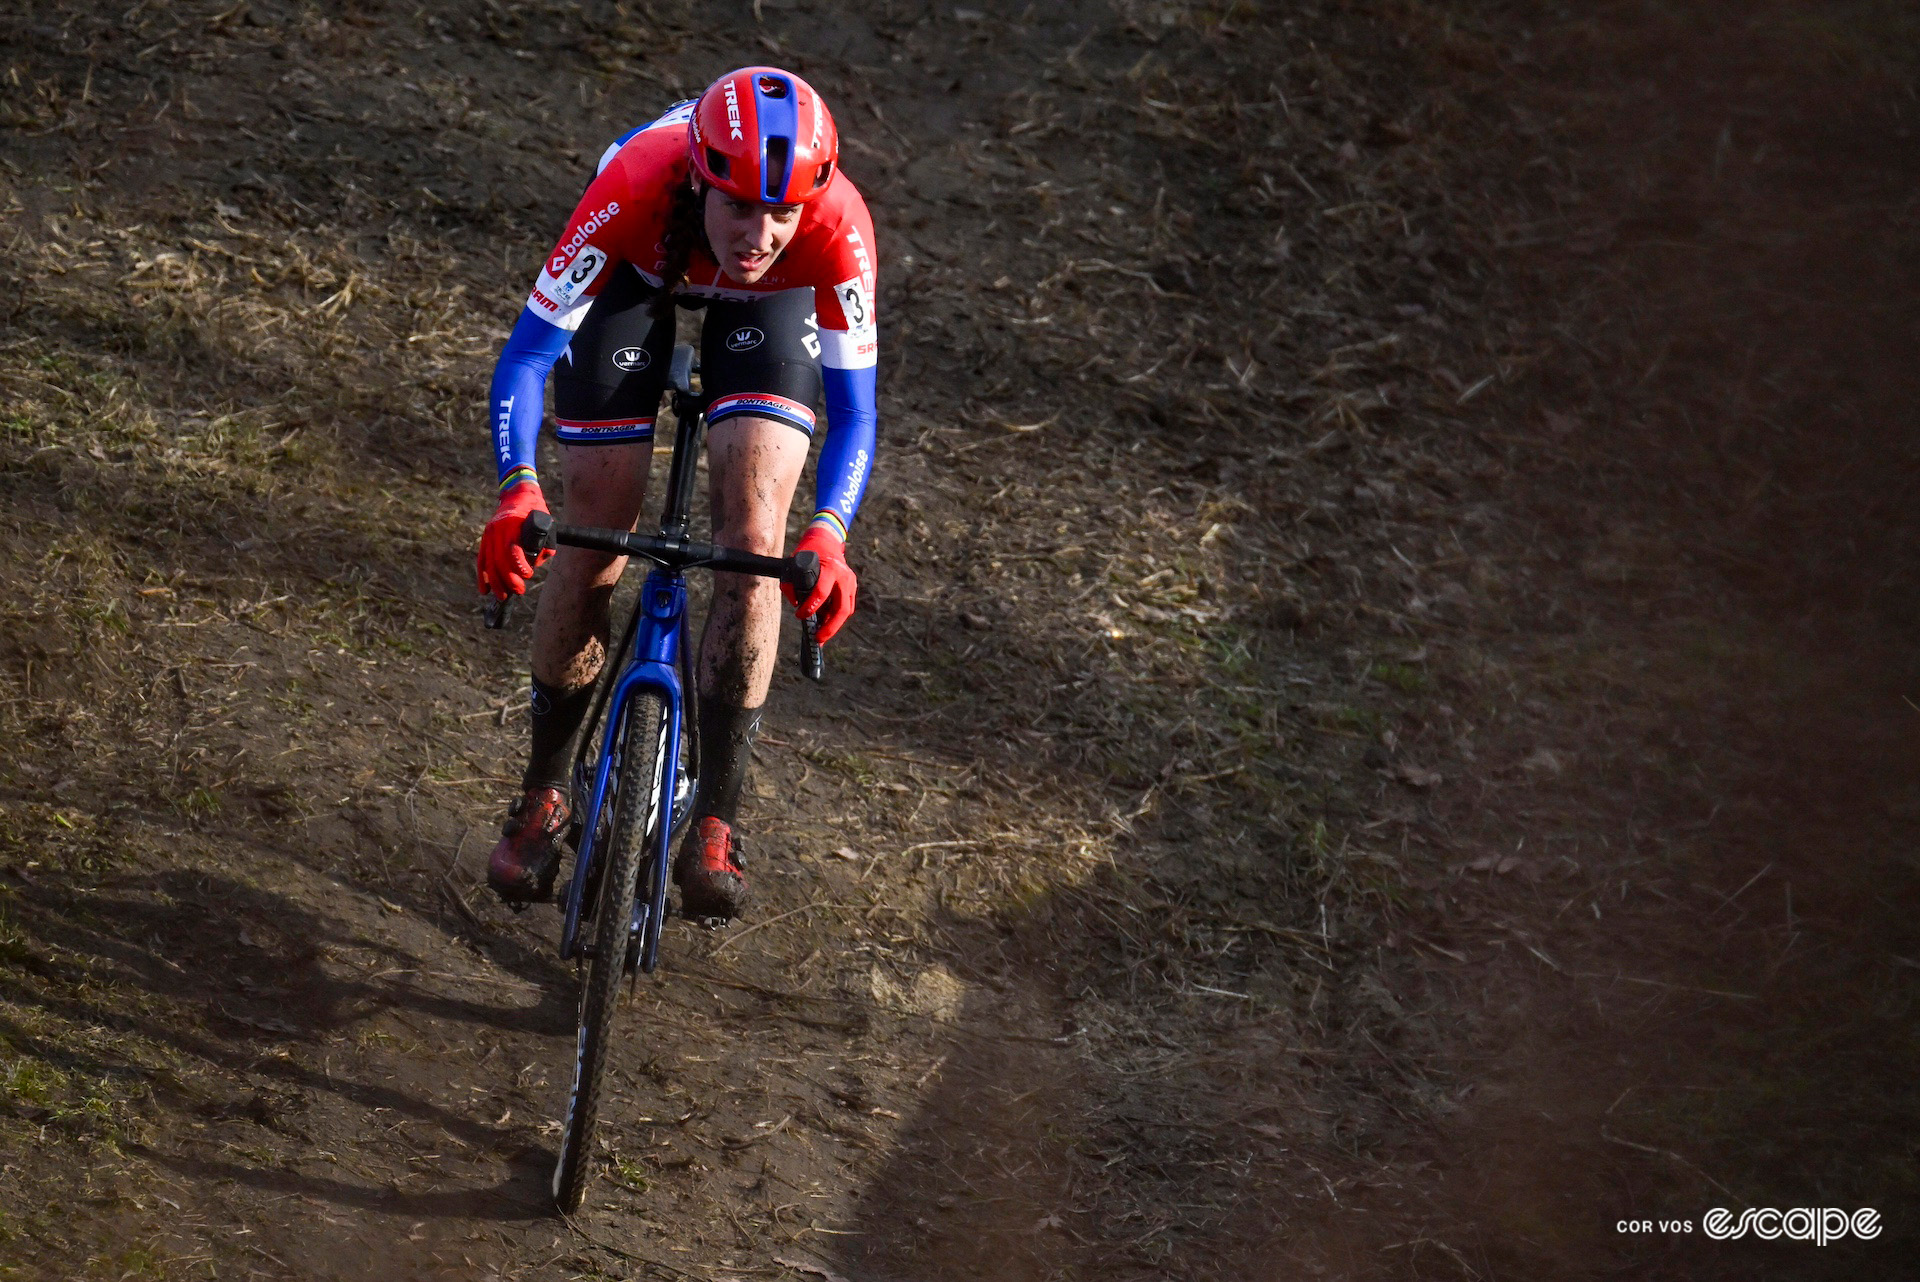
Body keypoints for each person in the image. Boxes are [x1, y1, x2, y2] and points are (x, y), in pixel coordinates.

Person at [473, 66, 877, 922]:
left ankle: (716, 816)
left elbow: (855, 409)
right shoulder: (635, 182)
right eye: (739, 206)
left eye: (782, 211)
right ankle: (544, 792)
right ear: (699, 176)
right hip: (639, 268)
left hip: (770, 312)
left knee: (758, 535)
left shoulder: (837, 227)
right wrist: (517, 491)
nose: (759, 233)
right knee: (592, 527)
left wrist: (831, 532)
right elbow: (526, 358)